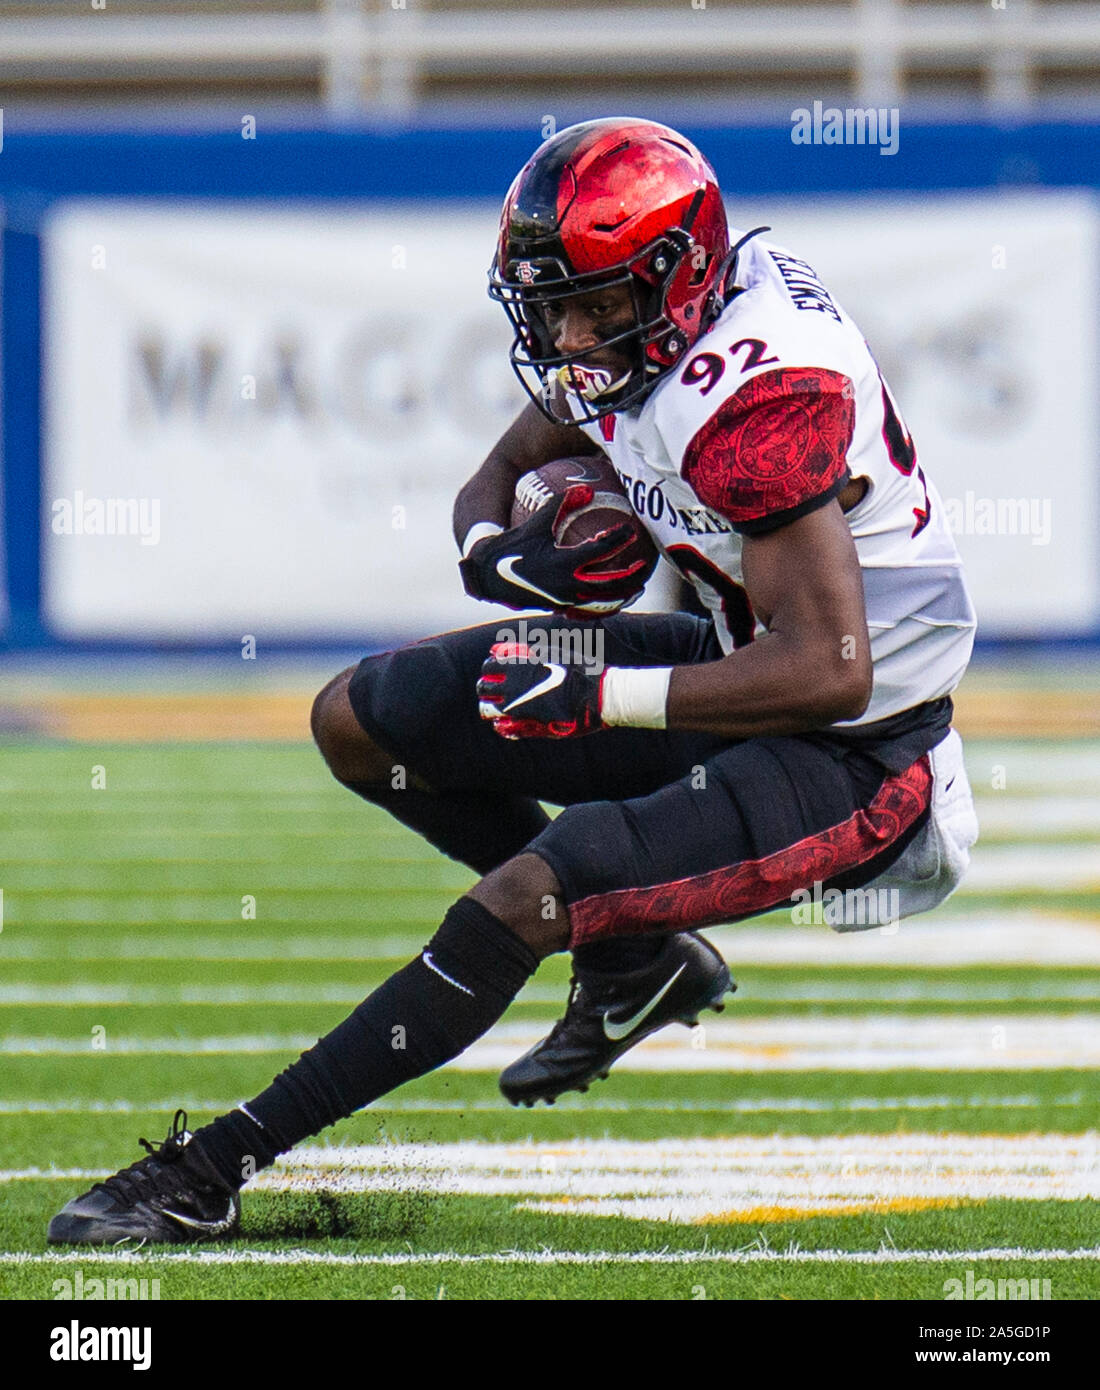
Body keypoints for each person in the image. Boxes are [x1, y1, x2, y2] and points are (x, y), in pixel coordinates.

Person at [47, 117, 978, 1245]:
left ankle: (209, 1171)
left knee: (532, 891)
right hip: (737, 666)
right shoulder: (632, 331)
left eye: (595, 307)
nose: (573, 337)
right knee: (365, 721)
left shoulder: (754, 392)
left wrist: (607, 695)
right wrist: (501, 558)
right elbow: (496, 475)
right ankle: (632, 956)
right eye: (554, 311)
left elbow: (831, 670)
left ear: (676, 284)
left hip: (856, 752)